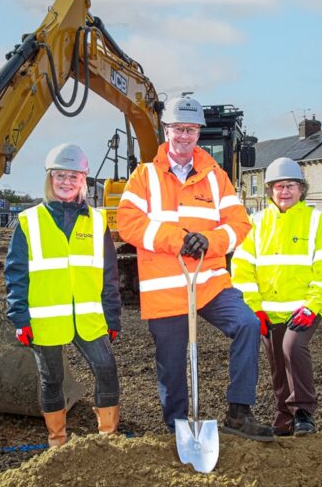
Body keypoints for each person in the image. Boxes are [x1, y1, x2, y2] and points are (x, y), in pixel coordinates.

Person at [116, 96, 274, 441]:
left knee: (248, 324)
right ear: (166, 130)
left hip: (209, 282)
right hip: (166, 287)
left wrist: (209, 240)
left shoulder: (216, 178)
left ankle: (239, 411)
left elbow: (240, 225)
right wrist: (179, 239)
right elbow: (127, 223)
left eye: (190, 130)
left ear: (198, 133)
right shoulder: (145, 176)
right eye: (178, 129)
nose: (184, 136)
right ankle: (177, 427)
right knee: (172, 364)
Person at [4, 143, 122, 448]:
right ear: (50, 179)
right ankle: (57, 441)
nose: (66, 182)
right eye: (60, 176)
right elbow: (16, 274)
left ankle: (108, 438)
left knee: (106, 369)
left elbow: (109, 275)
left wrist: (113, 315)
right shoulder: (29, 222)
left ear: (83, 179)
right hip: (45, 319)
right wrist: (20, 317)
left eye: (73, 176)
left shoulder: (97, 222)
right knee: (52, 380)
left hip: (89, 317)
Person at [231, 157, 322, 436]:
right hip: (268, 311)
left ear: (301, 189)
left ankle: (304, 413)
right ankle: (283, 420)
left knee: (293, 348)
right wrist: (253, 309)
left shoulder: (316, 221)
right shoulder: (255, 223)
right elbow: (242, 269)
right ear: (270, 190)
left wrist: (314, 306)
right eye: (279, 186)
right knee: (277, 365)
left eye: (291, 186)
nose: (285, 191)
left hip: (304, 309)